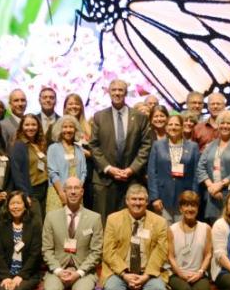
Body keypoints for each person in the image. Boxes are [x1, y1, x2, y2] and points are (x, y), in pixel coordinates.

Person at [42, 176, 102, 290]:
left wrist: (79, 272)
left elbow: (96, 251)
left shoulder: (94, 218)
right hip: (57, 270)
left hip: (83, 272)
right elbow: (46, 249)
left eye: (77, 188)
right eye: (70, 188)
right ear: (64, 191)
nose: (74, 191)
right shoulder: (51, 217)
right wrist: (59, 271)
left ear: (82, 192)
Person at [89, 80, 151, 223]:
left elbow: (146, 146)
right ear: (109, 92)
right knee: (105, 223)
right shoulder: (99, 117)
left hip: (131, 180)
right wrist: (108, 168)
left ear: (125, 92)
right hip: (105, 181)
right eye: (114, 90)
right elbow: (94, 146)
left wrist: (132, 169)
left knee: (130, 223)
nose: (117, 93)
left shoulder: (140, 117)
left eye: (120, 90)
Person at [166, 191, 211, 290]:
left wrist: (200, 272)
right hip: (177, 274)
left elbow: (208, 254)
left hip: (198, 272)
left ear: (198, 208)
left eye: (193, 205)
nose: (189, 208)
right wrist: (180, 273)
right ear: (180, 208)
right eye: (186, 205)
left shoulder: (206, 228)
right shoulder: (171, 229)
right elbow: (170, 256)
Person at [197, 110, 230, 223]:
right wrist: (211, 187)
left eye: (229, 123)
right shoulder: (211, 145)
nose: (225, 126)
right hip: (212, 196)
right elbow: (201, 167)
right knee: (216, 230)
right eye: (222, 123)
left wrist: (220, 186)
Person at [148, 114, 199, 225]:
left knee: (182, 234)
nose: (173, 127)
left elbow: (196, 174)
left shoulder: (193, 146)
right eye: (170, 124)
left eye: (177, 124)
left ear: (182, 127)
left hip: (185, 199)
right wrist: (154, 197)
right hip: (162, 198)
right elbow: (152, 172)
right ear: (166, 127)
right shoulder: (157, 145)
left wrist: (194, 198)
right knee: (164, 233)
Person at [10, 114, 49, 223]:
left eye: (33, 124)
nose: (30, 128)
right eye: (27, 125)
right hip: (31, 192)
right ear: (21, 127)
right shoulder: (19, 145)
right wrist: (25, 194)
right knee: (36, 224)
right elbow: (16, 173)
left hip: (44, 189)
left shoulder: (39, 144)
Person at [46, 115, 87, 213]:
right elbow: (52, 173)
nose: (68, 130)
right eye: (65, 127)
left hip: (76, 194)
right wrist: (62, 193)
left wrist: (77, 190)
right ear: (59, 129)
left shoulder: (80, 149)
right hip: (58, 193)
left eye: (71, 127)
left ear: (75, 129)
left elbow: (83, 172)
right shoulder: (53, 148)